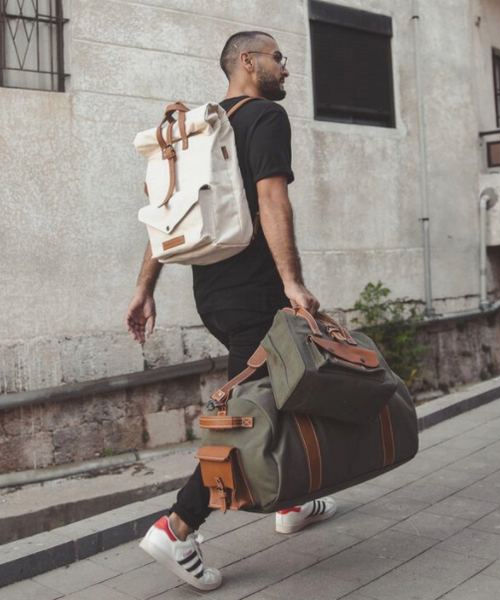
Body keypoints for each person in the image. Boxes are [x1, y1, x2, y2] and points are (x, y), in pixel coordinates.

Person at [125, 31, 336, 592]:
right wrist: (292, 281)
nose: (286, 69)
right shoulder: (264, 116)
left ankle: (291, 501)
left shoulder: (202, 127)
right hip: (256, 295)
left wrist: (145, 290)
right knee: (244, 417)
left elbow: (164, 219)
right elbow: (273, 198)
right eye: (278, 58)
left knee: (281, 392)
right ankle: (178, 527)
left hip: (211, 296)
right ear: (248, 62)